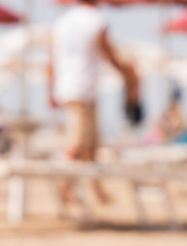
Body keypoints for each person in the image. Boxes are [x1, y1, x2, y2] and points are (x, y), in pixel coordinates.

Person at [48, 0, 139, 205]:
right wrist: (129, 75)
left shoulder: (62, 21)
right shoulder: (96, 20)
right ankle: (64, 188)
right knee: (78, 144)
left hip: (66, 87)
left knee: (90, 145)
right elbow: (108, 53)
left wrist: (51, 91)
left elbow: (52, 59)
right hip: (83, 88)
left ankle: (96, 191)